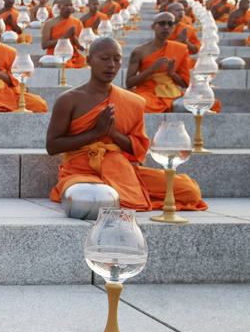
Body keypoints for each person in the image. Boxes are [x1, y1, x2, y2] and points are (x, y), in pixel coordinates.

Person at [47, 37, 207, 211]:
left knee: (188, 190)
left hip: (121, 170)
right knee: (91, 197)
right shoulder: (69, 99)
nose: (111, 65)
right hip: (81, 172)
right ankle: (123, 193)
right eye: (104, 58)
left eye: (117, 59)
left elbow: (137, 149)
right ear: (89, 60)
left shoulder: (131, 101)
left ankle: (124, 191)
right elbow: (53, 146)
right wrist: (95, 133)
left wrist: (114, 134)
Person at [127, 12, 220, 113]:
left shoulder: (180, 49)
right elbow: (129, 83)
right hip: (147, 92)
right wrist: (151, 69)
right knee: (138, 105)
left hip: (171, 92)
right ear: (153, 26)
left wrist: (172, 74)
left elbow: (185, 83)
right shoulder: (139, 51)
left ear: (174, 27)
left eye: (170, 24)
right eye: (162, 23)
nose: (166, 27)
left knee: (212, 104)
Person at [41, 0, 85, 69]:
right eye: (66, 5)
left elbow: (82, 47)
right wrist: (65, 37)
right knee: (67, 65)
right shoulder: (49, 23)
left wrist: (73, 37)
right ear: (59, 6)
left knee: (87, 62)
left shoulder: (77, 22)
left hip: (73, 55)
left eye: (71, 5)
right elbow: (44, 45)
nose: (69, 7)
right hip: (56, 54)